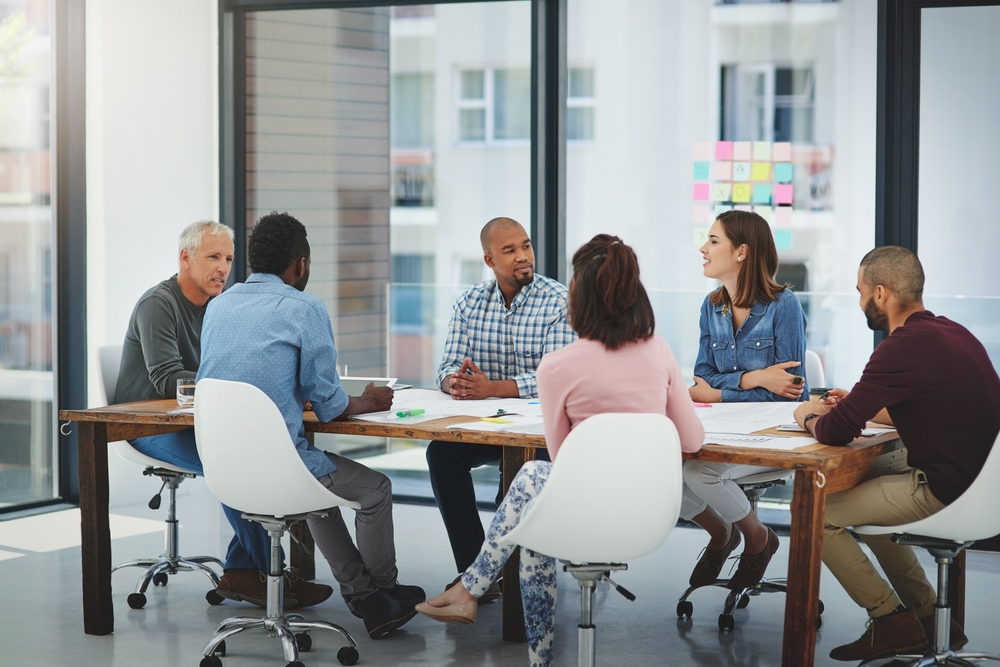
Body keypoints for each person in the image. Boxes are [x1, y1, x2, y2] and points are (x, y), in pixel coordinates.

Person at [415, 234, 705, 667]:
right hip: (652, 513)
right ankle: (478, 598)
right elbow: (692, 441)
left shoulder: (557, 367)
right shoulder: (659, 351)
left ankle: (481, 599)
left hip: (584, 509)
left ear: (580, 297)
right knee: (535, 526)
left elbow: (560, 456)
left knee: (534, 481)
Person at [197, 211, 425, 640]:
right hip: (283, 467)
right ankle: (382, 591)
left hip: (223, 469)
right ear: (300, 263)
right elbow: (329, 406)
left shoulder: (219, 305)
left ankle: (366, 596)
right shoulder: (304, 307)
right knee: (375, 491)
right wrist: (369, 400)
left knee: (317, 491)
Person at [792, 246, 1000, 662]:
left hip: (946, 492)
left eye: (860, 292)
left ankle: (889, 621)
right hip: (983, 490)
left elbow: (835, 432)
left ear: (881, 294)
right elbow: (930, 404)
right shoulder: (956, 333)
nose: (859, 302)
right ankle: (926, 617)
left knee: (818, 513)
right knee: (873, 495)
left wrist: (806, 416)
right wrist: (859, 402)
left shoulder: (898, 348)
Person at [116, 220, 330, 609]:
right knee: (235, 462)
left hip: (204, 422)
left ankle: (241, 572)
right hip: (148, 427)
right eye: (213, 257)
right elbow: (167, 379)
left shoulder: (221, 305)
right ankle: (271, 578)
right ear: (185, 258)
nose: (223, 268)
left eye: (229, 259)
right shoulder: (157, 305)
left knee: (259, 455)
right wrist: (245, 385)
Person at [427, 217, 576, 596]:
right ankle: (476, 572)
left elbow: (554, 377)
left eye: (525, 246)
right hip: (489, 427)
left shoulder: (559, 302)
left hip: (542, 432)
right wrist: (454, 382)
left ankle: (512, 576)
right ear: (490, 260)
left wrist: (492, 387)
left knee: (517, 478)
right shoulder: (470, 303)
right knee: (442, 454)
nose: (523, 257)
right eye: (509, 251)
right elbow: (447, 365)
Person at [682, 210, 808, 593]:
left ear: (741, 252)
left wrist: (721, 392)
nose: (703, 248)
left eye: (713, 241)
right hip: (720, 431)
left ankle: (756, 537)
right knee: (659, 471)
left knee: (698, 473)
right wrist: (755, 377)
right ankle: (722, 532)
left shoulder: (783, 306)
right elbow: (701, 378)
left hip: (768, 437)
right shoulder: (712, 306)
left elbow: (790, 390)